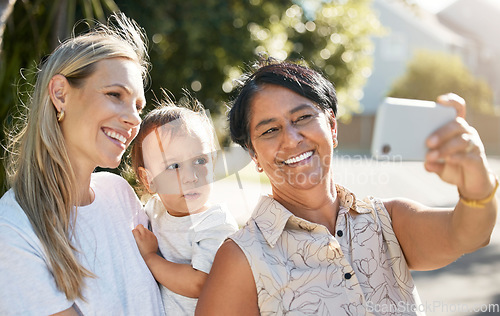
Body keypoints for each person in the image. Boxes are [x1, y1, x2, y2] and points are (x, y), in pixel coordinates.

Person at [195, 59, 498, 315]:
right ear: (254, 155)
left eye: (302, 117)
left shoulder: (387, 221)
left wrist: (476, 185)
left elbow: (468, 232)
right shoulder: (242, 259)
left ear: (332, 127)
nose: (291, 138)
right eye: (270, 130)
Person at [0, 13, 164, 315]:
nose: (134, 119)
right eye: (115, 94)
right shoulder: (12, 231)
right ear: (60, 94)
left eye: (138, 106)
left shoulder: (120, 196)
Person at [130, 99, 239, 315]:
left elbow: (199, 282)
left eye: (200, 161)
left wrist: (151, 257)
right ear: (149, 179)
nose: (190, 176)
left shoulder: (215, 223)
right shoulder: (154, 211)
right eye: (173, 166)